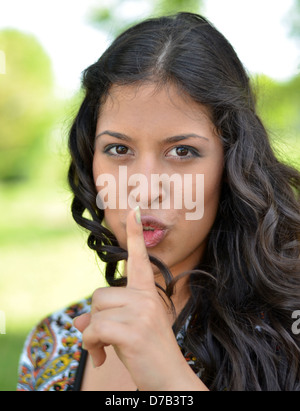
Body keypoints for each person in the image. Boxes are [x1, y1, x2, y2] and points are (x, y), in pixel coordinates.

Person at [17, 12, 300, 391]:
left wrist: (170, 379)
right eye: (118, 149)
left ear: (233, 165)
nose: (145, 189)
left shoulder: (290, 333)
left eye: (182, 151)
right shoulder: (50, 344)